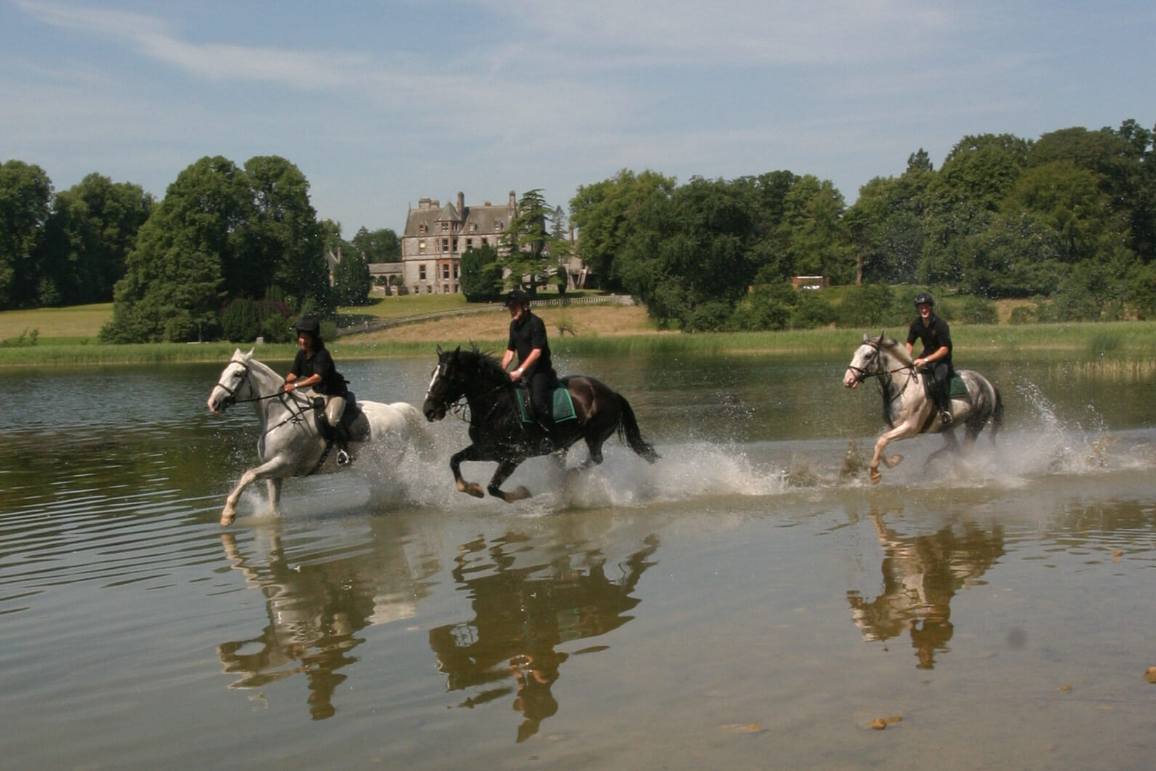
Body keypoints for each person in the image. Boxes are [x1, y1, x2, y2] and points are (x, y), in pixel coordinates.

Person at [284, 316, 352, 465]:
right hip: (317, 392)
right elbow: (294, 374)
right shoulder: (301, 355)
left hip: (335, 393)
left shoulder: (322, 354)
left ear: (313, 339)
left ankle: (343, 451)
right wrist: (282, 382)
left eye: (306, 338)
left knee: (331, 419)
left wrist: (295, 386)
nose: (302, 341)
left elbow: (317, 378)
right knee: (299, 411)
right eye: (301, 338)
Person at [500, 289, 559, 445]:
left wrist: (519, 371)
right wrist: (500, 371)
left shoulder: (535, 323)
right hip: (523, 370)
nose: (512, 310)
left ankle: (551, 437)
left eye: (515, 307)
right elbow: (510, 351)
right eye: (510, 308)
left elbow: (536, 352)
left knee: (538, 402)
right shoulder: (514, 326)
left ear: (525, 306)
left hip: (540, 371)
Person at [906, 292, 954, 425]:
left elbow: (945, 349)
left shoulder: (940, 324)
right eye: (921, 307)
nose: (924, 310)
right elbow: (910, 342)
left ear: (931, 307)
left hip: (942, 361)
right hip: (925, 357)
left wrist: (925, 360)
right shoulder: (916, 324)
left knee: (939, 379)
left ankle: (944, 411)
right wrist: (907, 359)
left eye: (926, 307)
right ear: (918, 309)